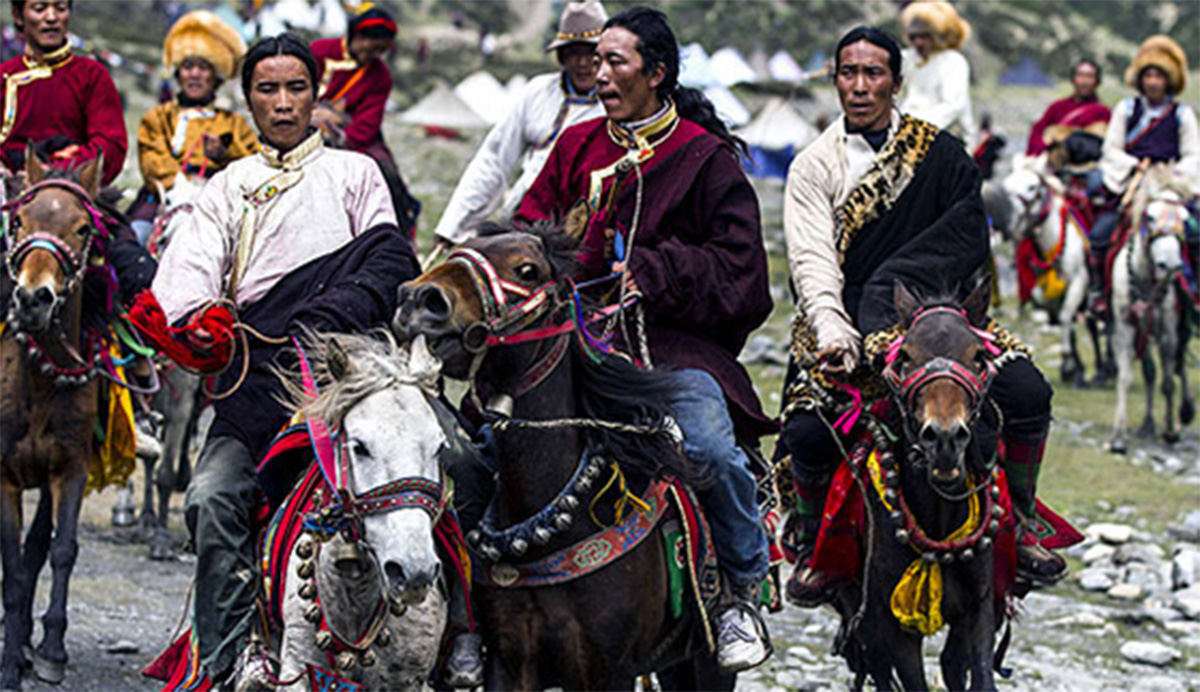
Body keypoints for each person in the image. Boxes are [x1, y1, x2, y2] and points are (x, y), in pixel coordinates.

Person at [128, 33, 425, 688]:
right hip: (258, 383)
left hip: (351, 384)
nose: (284, 104)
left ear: (316, 95)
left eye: (296, 88)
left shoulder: (356, 173)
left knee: (454, 468)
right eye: (268, 89)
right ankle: (229, 657)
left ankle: (458, 640)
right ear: (248, 98)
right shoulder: (230, 186)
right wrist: (202, 320)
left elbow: (391, 261)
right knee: (209, 498)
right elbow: (186, 281)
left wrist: (330, 311)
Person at [515, 6, 774, 673]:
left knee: (712, 450)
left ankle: (741, 590)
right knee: (484, 448)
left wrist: (658, 270)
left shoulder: (704, 157)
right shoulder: (575, 146)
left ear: (656, 73)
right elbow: (528, 226)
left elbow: (745, 276)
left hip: (671, 351)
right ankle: (474, 609)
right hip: (575, 345)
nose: (596, 73)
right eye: (594, 61)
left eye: (614, 61)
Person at [777, 26, 1073, 609]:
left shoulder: (939, 153)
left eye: (874, 74)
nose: (860, 87)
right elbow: (812, 258)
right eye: (848, 73)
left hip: (944, 315)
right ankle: (814, 543)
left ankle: (1025, 519)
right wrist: (835, 328)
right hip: (847, 316)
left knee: (1027, 391)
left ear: (896, 80)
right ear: (835, 79)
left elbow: (968, 233)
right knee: (808, 431)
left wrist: (926, 298)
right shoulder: (814, 166)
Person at [433, 0, 606, 249]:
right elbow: (494, 158)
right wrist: (455, 226)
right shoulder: (537, 92)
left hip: (584, 221)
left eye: (590, 52)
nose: (581, 62)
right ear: (561, 56)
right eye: (573, 52)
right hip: (526, 213)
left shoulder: (616, 102)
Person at [129, 10, 258, 242]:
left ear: (216, 76)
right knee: (135, 238)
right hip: (163, 197)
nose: (195, 75)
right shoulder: (158, 117)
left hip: (219, 201)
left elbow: (251, 166)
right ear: (178, 73)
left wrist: (223, 156)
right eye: (188, 67)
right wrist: (180, 187)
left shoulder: (234, 124)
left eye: (204, 67)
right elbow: (152, 160)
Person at [1090, 35, 1198, 300]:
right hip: (1133, 184)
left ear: (1169, 80)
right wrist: (1133, 164)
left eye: (1159, 76)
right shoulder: (1126, 110)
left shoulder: (1182, 114)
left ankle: (1193, 297)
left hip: (1170, 186)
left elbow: (1193, 154)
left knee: (1196, 232)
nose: (1153, 82)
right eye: (1148, 76)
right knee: (1101, 233)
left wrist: (1172, 175)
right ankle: (1100, 295)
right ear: (1140, 79)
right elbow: (1111, 149)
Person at [311, 4, 419, 235]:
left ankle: (397, 232)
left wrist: (341, 139)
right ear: (356, 36)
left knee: (387, 173)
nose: (374, 54)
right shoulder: (319, 52)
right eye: (371, 45)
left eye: (380, 50)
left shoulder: (380, 75)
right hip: (304, 124)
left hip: (350, 135)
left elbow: (368, 122)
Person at [0, 0, 125, 185]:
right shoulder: (5, 75)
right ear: (18, 16)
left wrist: (56, 170)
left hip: (71, 188)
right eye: (39, 9)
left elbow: (110, 145)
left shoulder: (91, 75)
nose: (52, 18)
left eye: (60, 8)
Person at [898, 0, 976, 147]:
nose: (919, 42)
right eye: (914, 37)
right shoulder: (909, 58)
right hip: (909, 133)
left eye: (925, 36)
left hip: (945, 137)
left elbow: (953, 106)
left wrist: (917, 127)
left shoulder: (953, 61)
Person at [1026, 58, 1111, 157]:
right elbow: (1037, 132)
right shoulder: (1057, 107)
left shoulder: (1104, 113)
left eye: (1089, 76)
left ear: (1097, 81)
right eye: (1080, 75)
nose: (1084, 81)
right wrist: (1043, 149)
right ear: (1073, 79)